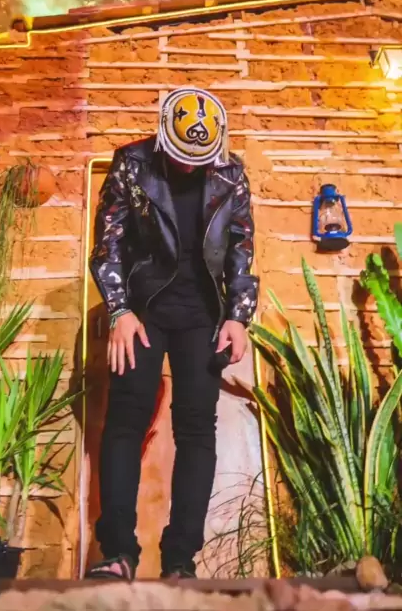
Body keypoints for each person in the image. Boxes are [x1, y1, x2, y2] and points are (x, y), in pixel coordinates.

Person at [86, 87, 259, 581]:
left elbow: (241, 248)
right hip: (142, 310)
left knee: (197, 429)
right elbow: (108, 244)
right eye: (181, 156)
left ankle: (181, 561)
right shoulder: (131, 163)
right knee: (125, 421)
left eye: (198, 160)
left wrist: (238, 316)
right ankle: (118, 553)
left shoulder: (230, 173)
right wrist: (119, 310)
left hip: (202, 314)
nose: (188, 166)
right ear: (164, 136)